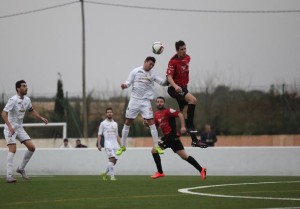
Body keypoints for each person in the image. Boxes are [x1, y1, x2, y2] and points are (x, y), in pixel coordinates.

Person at [116, 56, 168, 155]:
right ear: (145, 62)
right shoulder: (135, 71)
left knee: (151, 122)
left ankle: (156, 146)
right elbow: (128, 82)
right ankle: (122, 146)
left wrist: (168, 78)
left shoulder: (153, 74)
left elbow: (162, 82)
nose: (151, 66)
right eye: (150, 64)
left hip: (145, 101)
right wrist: (125, 85)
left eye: (153, 65)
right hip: (134, 100)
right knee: (128, 122)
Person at [1, 80, 48, 183]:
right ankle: (9, 176)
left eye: (26, 86)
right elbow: (3, 114)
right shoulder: (12, 100)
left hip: (19, 128)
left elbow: (31, 110)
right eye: (24, 86)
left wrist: (41, 118)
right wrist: (9, 126)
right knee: (13, 149)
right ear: (18, 88)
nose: (26, 88)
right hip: (11, 128)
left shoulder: (27, 100)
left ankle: (21, 169)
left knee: (32, 148)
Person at [149, 96, 206, 180]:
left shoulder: (168, 111)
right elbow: (154, 127)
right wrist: (147, 124)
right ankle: (201, 169)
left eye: (161, 101)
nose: (159, 103)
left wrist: (183, 126)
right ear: (156, 103)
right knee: (184, 156)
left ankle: (160, 172)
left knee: (154, 150)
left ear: (164, 103)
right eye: (158, 102)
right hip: (172, 138)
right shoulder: (156, 114)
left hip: (171, 136)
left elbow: (180, 114)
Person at [166, 40, 206, 148]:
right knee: (193, 100)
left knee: (186, 114)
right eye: (181, 49)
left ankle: (194, 141)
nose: (184, 51)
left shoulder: (188, 58)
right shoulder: (172, 62)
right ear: (177, 50)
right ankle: (191, 127)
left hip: (184, 88)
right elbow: (168, 77)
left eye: (185, 49)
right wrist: (175, 86)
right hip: (174, 89)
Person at [97, 107, 121, 181]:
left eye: (110, 112)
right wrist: (99, 144)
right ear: (106, 114)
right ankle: (112, 177)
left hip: (115, 145)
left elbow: (117, 135)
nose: (109, 113)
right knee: (112, 159)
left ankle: (104, 173)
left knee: (114, 161)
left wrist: (121, 145)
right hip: (108, 144)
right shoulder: (103, 123)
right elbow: (99, 134)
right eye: (108, 112)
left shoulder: (115, 124)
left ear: (112, 113)